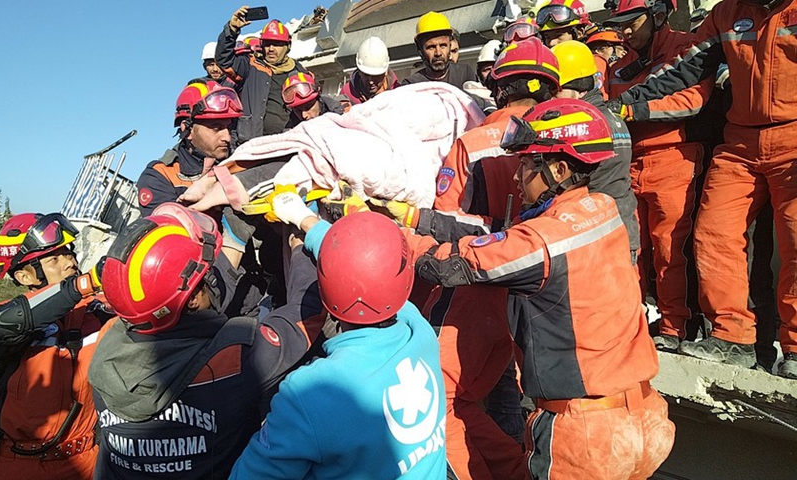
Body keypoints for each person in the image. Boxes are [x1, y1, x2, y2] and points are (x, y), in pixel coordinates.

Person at [406, 98, 675, 479]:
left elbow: (454, 265)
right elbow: (506, 237)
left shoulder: (543, 240)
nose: (517, 176)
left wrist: (398, 238)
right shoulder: (605, 210)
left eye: (528, 165)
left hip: (584, 438)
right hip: (644, 418)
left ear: (560, 169)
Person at [372, 38, 561, 480]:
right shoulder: (561, 145)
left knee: (444, 403)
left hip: (473, 293)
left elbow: (448, 224)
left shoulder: (472, 144)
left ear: (499, 87)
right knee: (508, 396)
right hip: (540, 295)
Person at [608, 0, 797, 376]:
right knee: (713, 234)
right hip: (740, 144)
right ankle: (731, 337)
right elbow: (687, 69)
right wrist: (620, 104)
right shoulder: (726, 13)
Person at [88, 203, 325, 479]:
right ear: (192, 302)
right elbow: (308, 312)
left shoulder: (104, 360)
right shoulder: (231, 361)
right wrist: (300, 243)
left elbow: (183, 309)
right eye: (206, 277)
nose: (211, 278)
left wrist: (234, 241)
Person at [229, 210, 447, 479]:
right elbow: (368, 268)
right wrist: (308, 222)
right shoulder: (420, 331)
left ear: (324, 289)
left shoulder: (309, 395)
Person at [603, 0, 712, 351]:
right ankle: (629, 324)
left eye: (632, 22)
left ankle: (674, 327)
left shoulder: (685, 47)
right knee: (629, 251)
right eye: (620, 23)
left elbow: (692, 101)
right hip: (628, 162)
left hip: (673, 157)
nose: (625, 30)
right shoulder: (617, 66)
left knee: (670, 250)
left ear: (658, 16)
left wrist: (632, 110)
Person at [0, 213, 111, 480]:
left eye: (68, 253)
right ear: (25, 276)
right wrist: (87, 283)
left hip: (89, 464)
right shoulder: (8, 320)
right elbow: (15, 319)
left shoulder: (97, 310)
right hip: (17, 468)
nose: (69, 261)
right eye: (54, 258)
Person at [552, 40, 639, 261]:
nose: (551, 98)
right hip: (622, 229)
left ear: (579, 89)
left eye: (556, 90)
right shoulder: (611, 118)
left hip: (599, 239)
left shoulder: (584, 125)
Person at [136, 80, 242, 216]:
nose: (227, 137)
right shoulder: (160, 175)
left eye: (229, 127)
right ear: (188, 129)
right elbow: (170, 231)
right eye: (217, 128)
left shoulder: (240, 164)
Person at [217, 8, 306, 143]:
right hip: (249, 144)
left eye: (277, 44)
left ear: (288, 46)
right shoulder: (250, 65)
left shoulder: (299, 73)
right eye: (267, 44)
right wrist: (231, 30)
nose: (271, 49)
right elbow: (224, 60)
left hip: (285, 145)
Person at [401, 11, 477, 89]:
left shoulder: (465, 73)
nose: (438, 53)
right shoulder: (411, 85)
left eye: (443, 45)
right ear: (420, 51)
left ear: (449, 46)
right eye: (431, 47)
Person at [340, 36, 400, 105]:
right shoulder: (347, 93)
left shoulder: (396, 93)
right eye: (366, 75)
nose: (371, 81)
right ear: (359, 71)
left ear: (385, 72)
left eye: (376, 76)